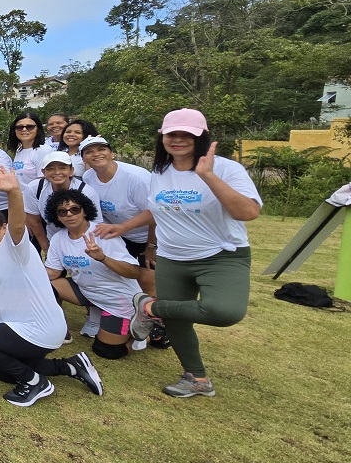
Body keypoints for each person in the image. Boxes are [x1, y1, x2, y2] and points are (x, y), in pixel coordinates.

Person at [94, 108, 261, 398]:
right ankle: (196, 377)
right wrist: (124, 227)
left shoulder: (225, 168)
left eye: (188, 134)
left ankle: (148, 308)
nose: (179, 139)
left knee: (225, 312)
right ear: (163, 138)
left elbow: (248, 211)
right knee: (178, 319)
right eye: (172, 134)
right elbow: (156, 209)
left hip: (221, 255)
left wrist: (208, 176)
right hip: (173, 258)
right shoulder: (160, 172)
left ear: (202, 137)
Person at [0, 165, 104, 407]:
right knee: (3, 371)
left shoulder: (14, 247)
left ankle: (35, 382)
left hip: (38, 328)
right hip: (20, 328)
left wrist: (14, 192)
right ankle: (71, 366)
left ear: (3, 228)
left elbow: (18, 224)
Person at [43, 190, 144, 356]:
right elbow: (52, 273)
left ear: (84, 211)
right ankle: (57, 329)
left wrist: (103, 257)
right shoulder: (58, 239)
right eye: (62, 211)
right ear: (57, 217)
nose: (69, 214)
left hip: (119, 300)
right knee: (48, 286)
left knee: (107, 351)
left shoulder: (101, 233)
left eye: (75, 209)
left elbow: (134, 272)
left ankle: (152, 332)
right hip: (88, 292)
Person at [80, 135, 156, 292]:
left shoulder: (137, 178)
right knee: (115, 276)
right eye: (89, 151)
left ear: (112, 154)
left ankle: (152, 314)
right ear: (83, 159)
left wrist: (151, 246)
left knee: (148, 279)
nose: (96, 154)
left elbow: (156, 213)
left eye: (101, 149)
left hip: (151, 236)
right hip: (121, 236)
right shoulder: (88, 177)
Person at [22, 151, 102, 255]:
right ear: (43, 172)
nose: (57, 172)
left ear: (71, 170)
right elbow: (34, 221)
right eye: (50, 169)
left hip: (83, 240)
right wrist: (46, 247)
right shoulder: (34, 188)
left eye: (62, 168)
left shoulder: (86, 192)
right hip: (54, 238)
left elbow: (96, 223)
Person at [6, 111, 49, 186]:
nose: (24, 130)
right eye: (19, 127)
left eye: (30, 127)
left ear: (38, 129)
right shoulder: (19, 150)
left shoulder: (43, 150)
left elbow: (43, 182)